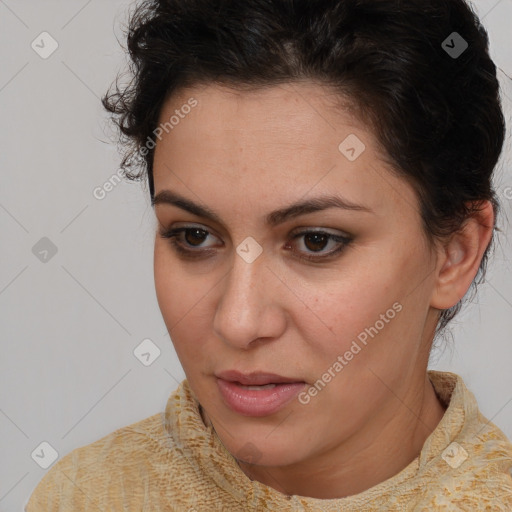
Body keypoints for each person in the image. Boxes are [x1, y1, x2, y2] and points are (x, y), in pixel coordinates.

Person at [26, 0, 512, 510]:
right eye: (194, 236)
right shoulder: (85, 496)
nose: (238, 322)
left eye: (316, 241)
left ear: (455, 253)